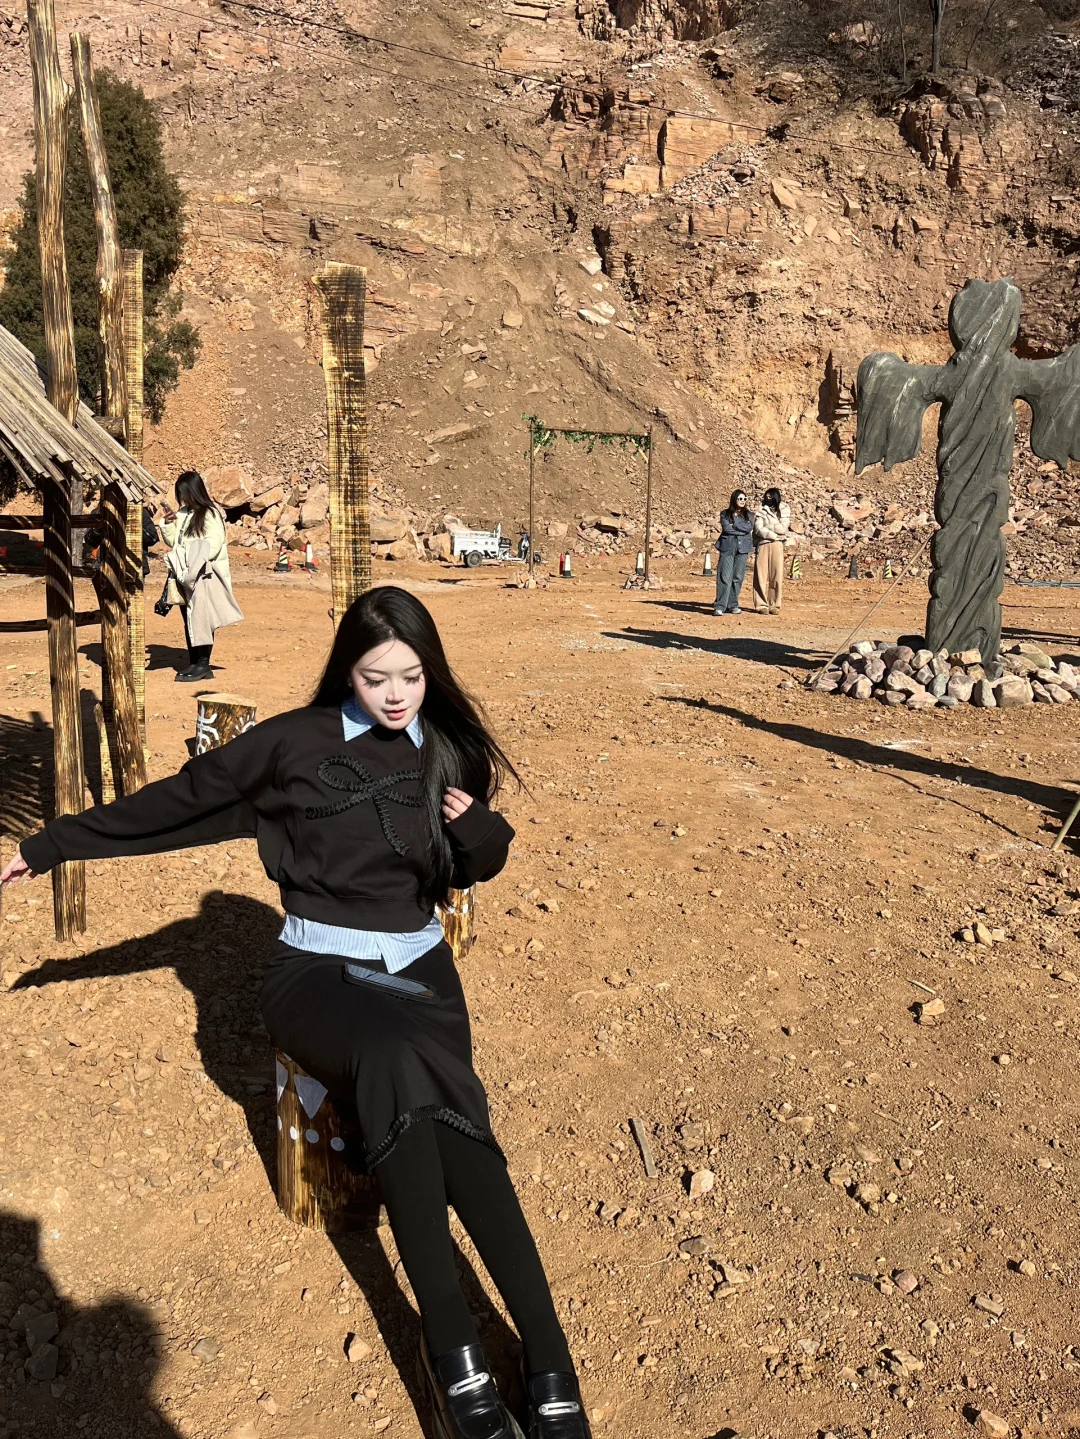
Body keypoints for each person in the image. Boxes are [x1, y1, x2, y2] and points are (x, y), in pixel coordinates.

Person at [0, 586, 590, 1439]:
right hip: (317, 969)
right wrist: (50, 844)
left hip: (421, 969)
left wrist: (482, 837)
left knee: (454, 1121)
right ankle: (457, 1351)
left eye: (413, 676)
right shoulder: (291, 744)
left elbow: (469, 871)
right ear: (346, 668)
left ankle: (547, 1360)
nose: (396, 693)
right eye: (376, 674)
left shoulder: (449, 753)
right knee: (409, 1068)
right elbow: (176, 802)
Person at [158, 470, 243, 683]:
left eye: (184, 493)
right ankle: (195, 661)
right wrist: (169, 524)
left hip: (203, 576)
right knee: (189, 619)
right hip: (185, 575)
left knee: (202, 619)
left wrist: (191, 556)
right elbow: (172, 542)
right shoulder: (184, 514)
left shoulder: (209, 514)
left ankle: (203, 663)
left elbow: (213, 545)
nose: (182, 498)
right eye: (180, 495)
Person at [712, 488, 754, 616]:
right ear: (734, 499)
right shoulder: (725, 514)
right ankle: (720, 605)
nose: (742, 501)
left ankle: (733, 604)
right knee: (725, 576)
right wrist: (741, 529)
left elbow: (749, 528)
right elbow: (726, 529)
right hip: (728, 546)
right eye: (740, 498)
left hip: (743, 548)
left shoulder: (749, 515)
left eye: (744, 499)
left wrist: (734, 525)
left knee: (738, 577)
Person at [752, 486, 791, 615]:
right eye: (766, 497)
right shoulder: (761, 509)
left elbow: (783, 528)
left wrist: (768, 527)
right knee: (760, 575)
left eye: (770, 497)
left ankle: (775, 604)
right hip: (763, 544)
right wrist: (773, 535)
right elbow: (758, 528)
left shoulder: (784, 509)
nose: (768, 499)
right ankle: (761, 604)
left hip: (777, 545)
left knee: (777, 575)